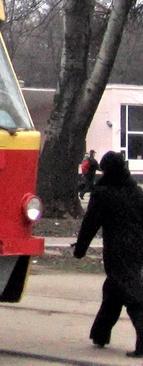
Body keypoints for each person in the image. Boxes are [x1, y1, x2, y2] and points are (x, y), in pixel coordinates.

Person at [73, 151, 143, 355]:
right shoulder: (136, 191)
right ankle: (100, 333)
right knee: (114, 290)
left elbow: (90, 224)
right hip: (137, 249)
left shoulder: (102, 193)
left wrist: (80, 249)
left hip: (116, 251)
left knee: (132, 294)